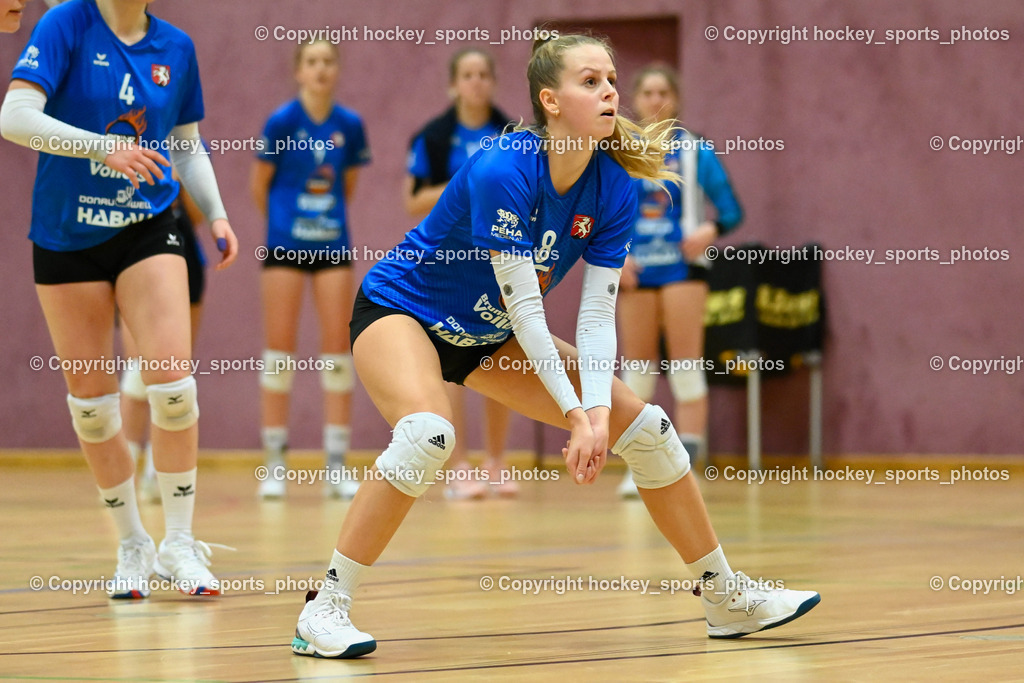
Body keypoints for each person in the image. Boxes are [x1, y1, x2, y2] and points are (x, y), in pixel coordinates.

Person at [290, 34, 819, 659]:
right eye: (590, 81)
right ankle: (324, 609)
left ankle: (724, 596)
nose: (610, 93)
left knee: (647, 430)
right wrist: (577, 415)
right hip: (405, 310)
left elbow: (597, 315)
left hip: (488, 337)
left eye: (612, 80)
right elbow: (526, 308)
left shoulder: (615, 185)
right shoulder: (504, 166)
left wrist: (598, 413)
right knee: (427, 435)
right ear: (551, 100)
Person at [1, 0, 238, 598]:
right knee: (92, 405)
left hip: (148, 226)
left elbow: (184, 144)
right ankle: (132, 542)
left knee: (173, 385)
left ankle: (179, 544)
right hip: (64, 234)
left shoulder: (176, 47)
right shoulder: (65, 22)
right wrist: (99, 148)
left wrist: (216, 213)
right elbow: (16, 116)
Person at [250, 39, 370, 500]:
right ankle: (275, 464)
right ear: (298, 71)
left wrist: (322, 222)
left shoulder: (349, 125)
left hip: (332, 247)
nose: (320, 69)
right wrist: (288, 225)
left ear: (336, 70)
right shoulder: (282, 122)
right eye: (311, 62)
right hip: (284, 246)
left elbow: (348, 187)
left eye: (328, 62)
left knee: (338, 355)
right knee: (278, 354)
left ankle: (336, 465)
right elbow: (259, 186)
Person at [617, 65, 743, 498]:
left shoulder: (695, 152)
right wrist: (615, 259)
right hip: (636, 269)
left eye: (662, 92)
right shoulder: (620, 152)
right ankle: (640, 467)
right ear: (636, 100)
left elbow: (731, 211)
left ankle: (685, 467)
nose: (655, 100)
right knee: (638, 372)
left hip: (682, 268)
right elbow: (595, 214)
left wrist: (710, 231)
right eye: (647, 92)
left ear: (675, 99)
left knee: (687, 370)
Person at [403, 47, 517, 499]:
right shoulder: (432, 137)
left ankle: (497, 461)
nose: (476, 82)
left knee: (499, 358)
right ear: (453, 84)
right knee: (456, 365)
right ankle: (459, 467)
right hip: (449, 265)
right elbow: (412, 201)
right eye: (467, 75)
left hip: (500, 260)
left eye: (483, 74)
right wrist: (467, 187)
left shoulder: (512, 134)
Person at [121, 177, 207, 503]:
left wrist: (180, 179)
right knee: (138, 371)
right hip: (131, 255)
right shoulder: (124, 137)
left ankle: (157, 474)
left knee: (172, 373)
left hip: (183, 255)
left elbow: (199, 215)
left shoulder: (189, 148)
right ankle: (124, 471)